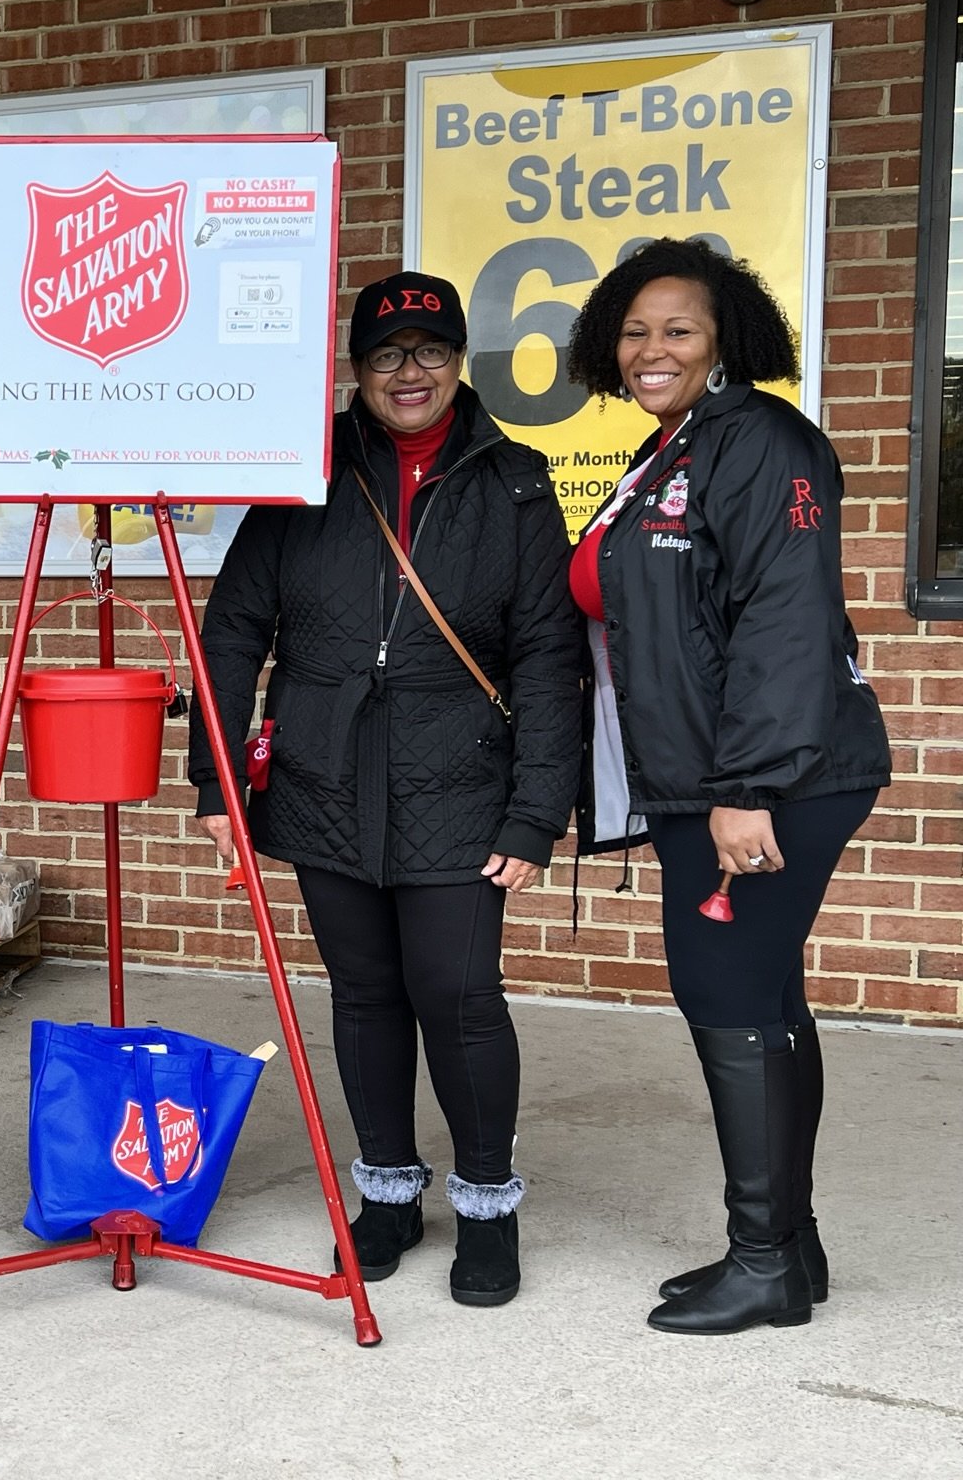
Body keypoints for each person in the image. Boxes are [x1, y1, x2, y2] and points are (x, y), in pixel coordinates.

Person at [188, 273, 580, 1308]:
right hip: (323, 774)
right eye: (385, 355)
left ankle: (486, 1203)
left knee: (456, 996)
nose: (408, 373)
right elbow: (231, 630)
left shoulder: (517, 484)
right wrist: (217, 783)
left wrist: (536, 811)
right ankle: (389, 1194)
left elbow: (546, 657)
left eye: (428, 350)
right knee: (362, 995)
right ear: (355, 370)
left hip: (459, 776)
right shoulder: (300, 476)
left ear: (457, 361)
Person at [564, 238, 890, 1335]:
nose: (651, 349)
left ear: (725, 340)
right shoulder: (674, 446)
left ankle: (759, 1262)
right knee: (761, 1001)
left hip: (764, 780)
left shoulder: (757, 443)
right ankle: (787, 1253)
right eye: (635, 330)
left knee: (726, 997)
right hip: (706, 775)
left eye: (679, 330)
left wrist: (743, 788)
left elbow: (784, 623)